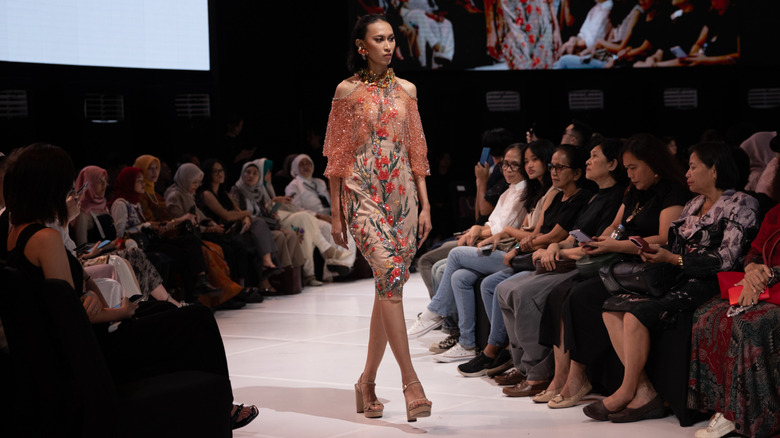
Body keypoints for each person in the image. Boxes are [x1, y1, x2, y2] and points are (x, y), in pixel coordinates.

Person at [1, 143, 258, 429]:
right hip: (91, 353)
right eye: (66, 184)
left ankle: (210, 406)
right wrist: (121, 312)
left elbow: (75, 292)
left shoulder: (16, 233)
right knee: (196, 319)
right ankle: (218, 409)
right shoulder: (45, 238)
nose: (72, 191)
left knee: (166, 311)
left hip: (77, 347)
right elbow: (72, 315)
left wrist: (90, 292)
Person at [584, 142, 759, 423]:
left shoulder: (740, 202)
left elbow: (727, 258)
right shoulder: (693, 203)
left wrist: (674, 260)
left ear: (714, 170)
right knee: (611, 307)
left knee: (635, 314)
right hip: (678, 275)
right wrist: (656, 255)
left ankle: (627, 391)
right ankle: (644, 391)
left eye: (693, 166)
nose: (686, 173)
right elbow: (674, 246)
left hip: (711, 281)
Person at [515, 133, 690, 408]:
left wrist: (617, 245)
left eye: (633, 168)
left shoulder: (672, 191)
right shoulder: (633, 191)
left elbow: (666, 238)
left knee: (579, 296)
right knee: (561, 292)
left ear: (653, 164)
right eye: (627, 168)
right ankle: (563, 376)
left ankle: (581, 376)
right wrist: (601, 240)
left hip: (648, 269)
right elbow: (616, 225)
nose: (629, 174)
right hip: (620, 264)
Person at [323, 14, 433, 422]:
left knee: (387, 289)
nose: (387, 46)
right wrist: (336, 214)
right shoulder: (347, 92)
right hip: (361, 193)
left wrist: (425, 204)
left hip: (402, 196)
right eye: (379, 39)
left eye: (390, 39)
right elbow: (336, 158)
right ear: (361, 46)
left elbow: (416, 150)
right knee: (389, 280)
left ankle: (366, 382)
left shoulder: (408, 90)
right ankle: (411, 383)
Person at [478, 139, 625, 395]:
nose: (553, 171)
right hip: (560, 257)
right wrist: (554, 247)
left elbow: (592, 243)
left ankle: (538, 372)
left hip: (578, 264)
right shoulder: (580, 197)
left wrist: (550, 248)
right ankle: (522, 364)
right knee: (502, 289)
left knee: (519, 292)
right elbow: (568, 235)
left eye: (560, 167)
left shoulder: (606, 198)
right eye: (552, 166)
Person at [689, 202, 780, 438]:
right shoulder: (777, 212)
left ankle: (757, 415)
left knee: (749, 324)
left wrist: (765, 277)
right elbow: (755, 251)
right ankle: (727, 407)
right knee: (706, 316)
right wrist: (752, 270)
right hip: (764, 281)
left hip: (771, 281)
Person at [133, 155, 264, 305]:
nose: (154, 172)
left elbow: (197, 218)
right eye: (150, 168)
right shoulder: (173, 196)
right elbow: (175, 221)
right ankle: (224, 295)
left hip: (181, 235)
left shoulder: (163, 195)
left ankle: (231, 292)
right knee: (215, 250)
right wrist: (209, 227)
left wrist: (211, 225)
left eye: (156, 167)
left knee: (229, 247)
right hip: (171, 236)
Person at [285, 153, 357, 277]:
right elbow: (295, 208)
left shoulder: (319, 183)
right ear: (296, 167)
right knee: (328, 228)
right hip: (311, 218)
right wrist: (321, 217)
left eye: (308, 163)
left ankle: (343, 265)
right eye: (302, 164)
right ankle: (334, 270)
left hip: (327, 216)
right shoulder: (293, 185)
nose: (306, 166)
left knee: (347, 229)